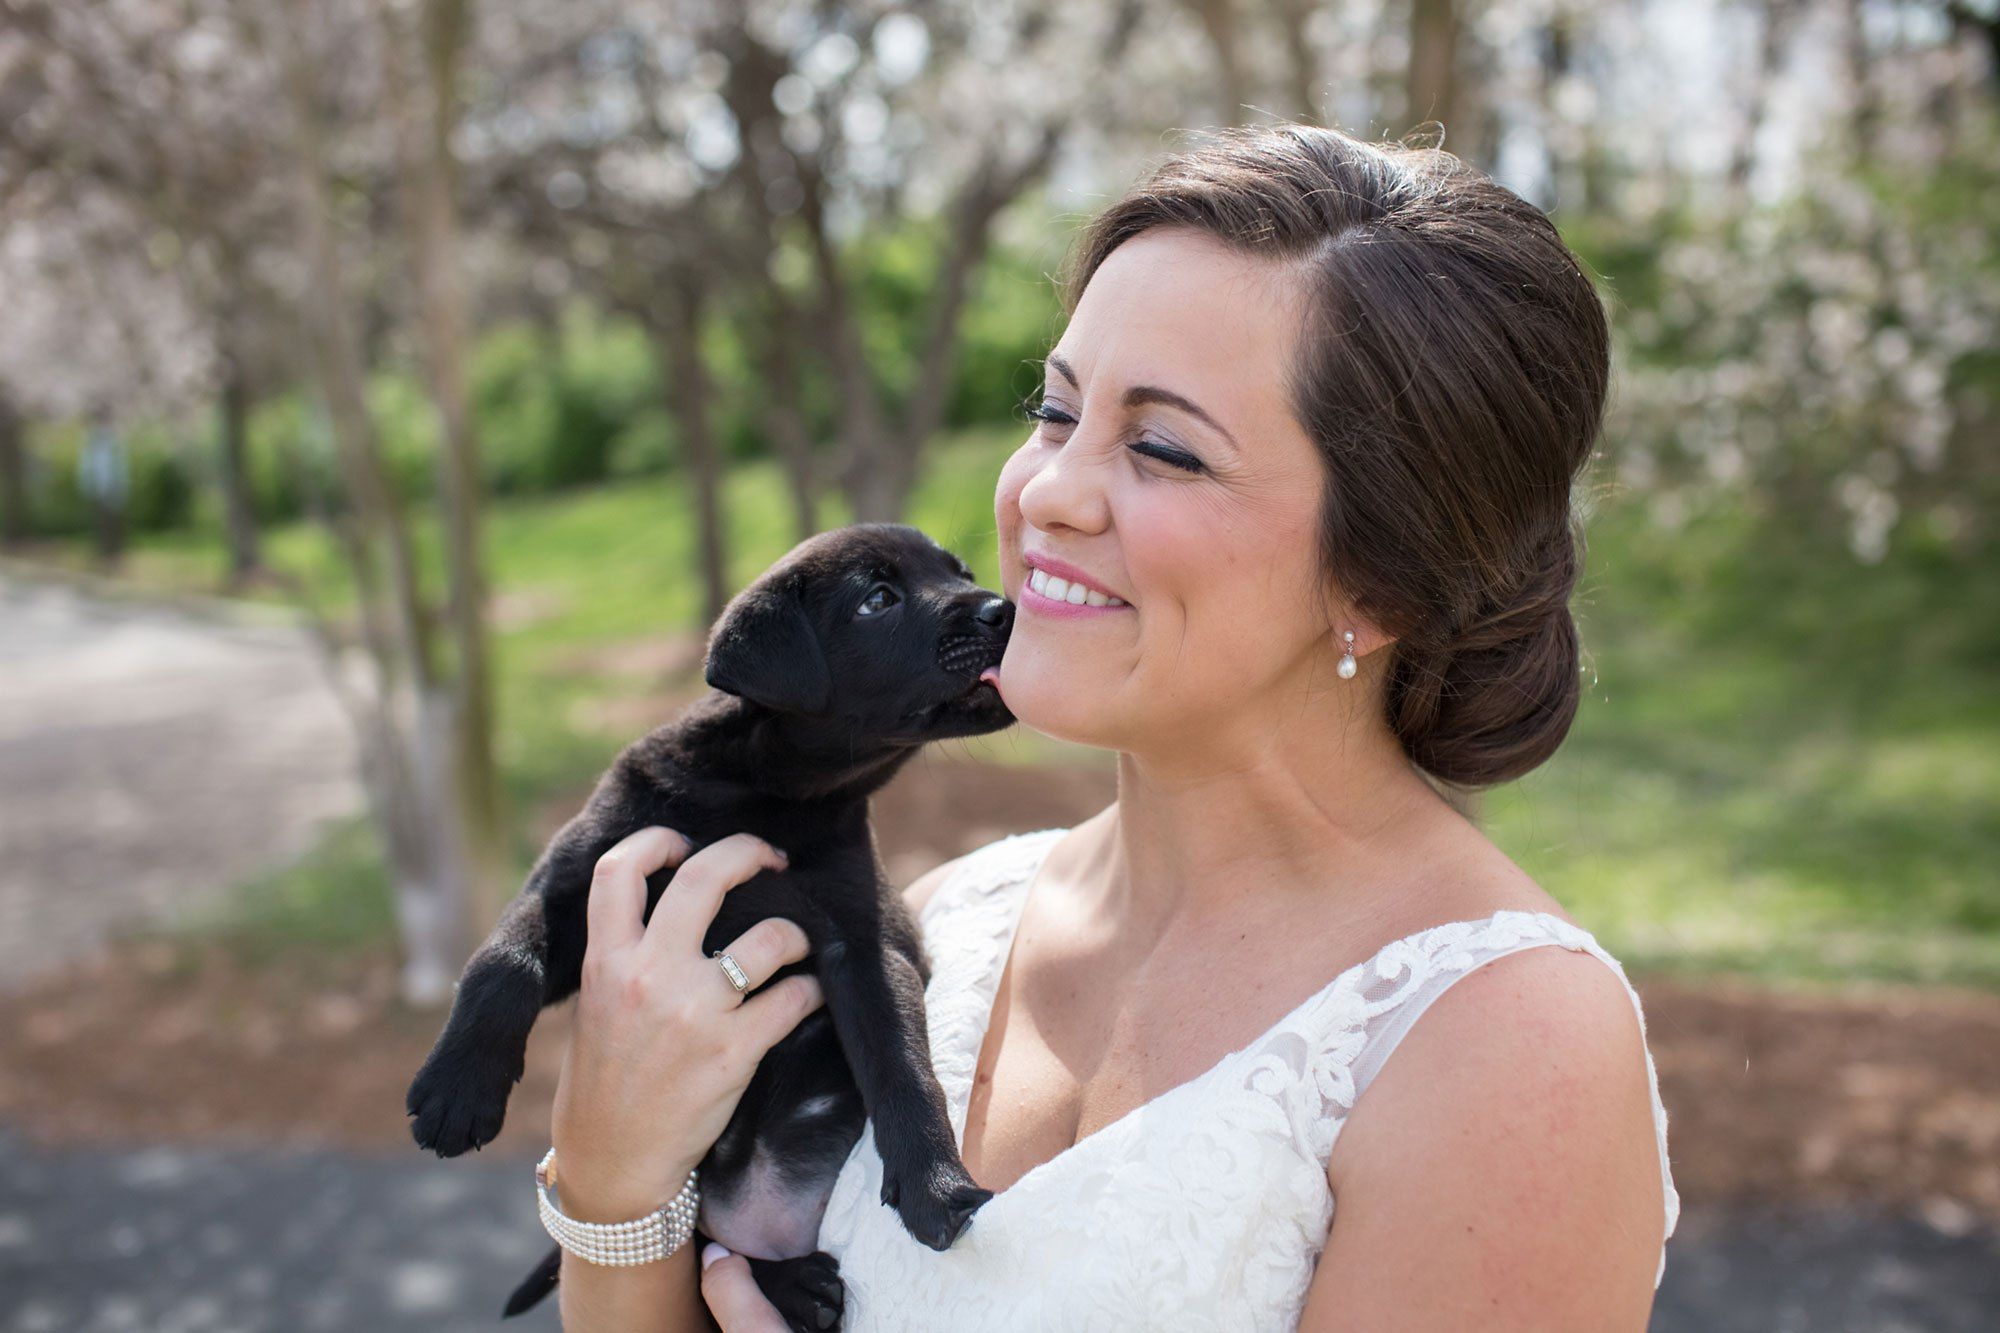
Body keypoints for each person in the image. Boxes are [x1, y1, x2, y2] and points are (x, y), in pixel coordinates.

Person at [547, 123, 1678, 1331]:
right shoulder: (951, 916)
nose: (1044, 493)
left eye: (1160, 447)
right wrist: (613, 1177)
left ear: (1382, 581)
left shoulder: (1506, 1049)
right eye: (1053, 409)